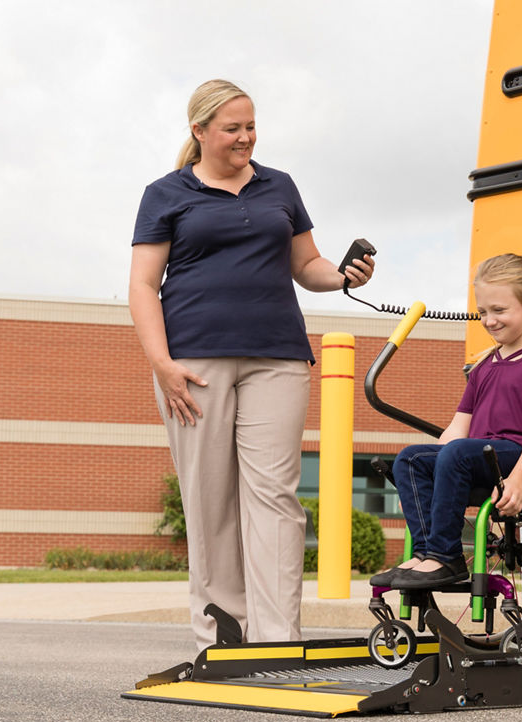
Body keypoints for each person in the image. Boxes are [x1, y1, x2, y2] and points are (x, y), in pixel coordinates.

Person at [129, 79, 375, 651]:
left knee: (275, 501)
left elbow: (306, 265)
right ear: (199, 131)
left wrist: (344, 276)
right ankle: (221, 644)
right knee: (210, 503)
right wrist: (162, 364)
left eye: (251, 126)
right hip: (193, 364)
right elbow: (143, 285)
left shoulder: (278, 185)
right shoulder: (165, 194)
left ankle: (278, 641)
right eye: (232, 128)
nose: (246, 138)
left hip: (277, 357)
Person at [373, 253, 522, 590]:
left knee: (457, 452)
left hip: (518, 454)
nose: (489, 321)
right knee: (410, 459)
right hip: (473, 456)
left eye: (499, 310)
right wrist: (429, 473)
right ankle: (425, 554)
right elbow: (457, 428)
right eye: (483, 312)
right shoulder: (484, 366)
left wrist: (518, 479)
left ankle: (445, 557)